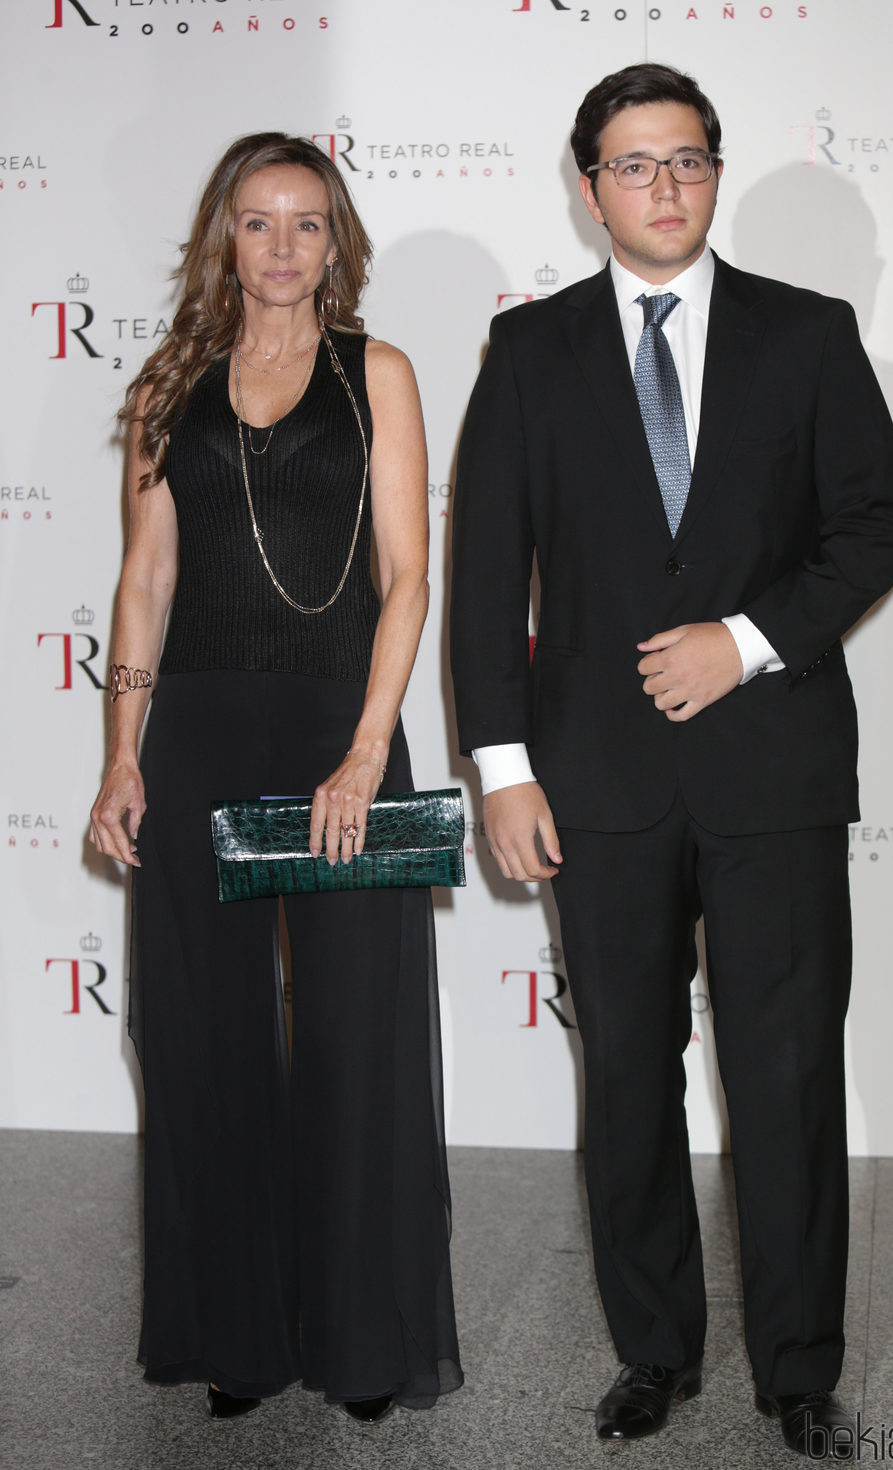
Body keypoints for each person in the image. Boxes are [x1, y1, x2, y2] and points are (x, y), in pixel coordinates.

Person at [450, 64, 893, 1460]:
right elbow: (484, 579)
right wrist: (504, 767)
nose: (664, 185)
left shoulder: (808, 333)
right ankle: (654, 1347)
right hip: (593, 785)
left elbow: (876, 527)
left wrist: (749, 638)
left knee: (783, 1077)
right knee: (632, 1083)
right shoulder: (528, 354)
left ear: (714, 174)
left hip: (771, 773)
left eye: (688, 160)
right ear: (588, 186)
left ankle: (799, 1372)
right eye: (634, 163)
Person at [89, 133, 462, 1422]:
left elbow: (410, 575)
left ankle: (363, 1340)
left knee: (359, 1042)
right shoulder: (166, 389)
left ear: (337, 240)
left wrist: (365, 751)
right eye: (260, 223)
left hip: (335, 733)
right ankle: (236, 1335)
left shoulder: (380, 375)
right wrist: (122, 758)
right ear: (224, 239)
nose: (286, 247)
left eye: (309, 223)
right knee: (208, 1043)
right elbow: (146, 581)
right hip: (193, 739)